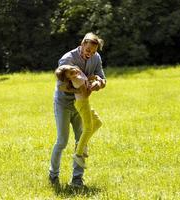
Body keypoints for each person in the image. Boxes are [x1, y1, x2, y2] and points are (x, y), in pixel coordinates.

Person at [49, 32, 106, 187]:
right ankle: (53, 175)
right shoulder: (68, 59)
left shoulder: (96, 58)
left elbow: (102, 78)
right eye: (88, 51)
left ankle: (77, 179)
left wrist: (97, 84)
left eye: (94, 52)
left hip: (81, 106)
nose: (90, 54)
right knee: (62, 141)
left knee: (81, 139)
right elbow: (60, 85)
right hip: (64, 104)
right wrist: (80, 89)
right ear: (82, 44)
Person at [54, 65, 103, 169]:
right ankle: (78, 154)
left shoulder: (77, 70)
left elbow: (87, 77)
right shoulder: (77, 81)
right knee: (88, 128)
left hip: (84, 103)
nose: (75, 71)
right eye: (71, 73)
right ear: (69, 78)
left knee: (98, 123)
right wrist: (91, 88)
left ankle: (82, 143)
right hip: (82, 104)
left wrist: (95, 78)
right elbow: (85, 95)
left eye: (73, 69)